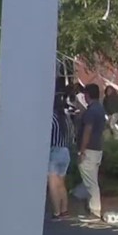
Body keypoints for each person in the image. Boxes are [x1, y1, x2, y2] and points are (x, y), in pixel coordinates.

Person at [76, 83, 106, 222]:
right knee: (91, 178)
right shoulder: (100, 109)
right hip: (97, 148)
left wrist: (81, 151)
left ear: (87, 95)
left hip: (89, 149)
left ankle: (94, 210)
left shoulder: (91, 111)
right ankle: (86, 203)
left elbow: (87, 131)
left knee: (90, 181)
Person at [48, 92, 73, 220]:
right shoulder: (66, 118)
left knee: (52, 183)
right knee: (61, 183)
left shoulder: (51, 118)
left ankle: (56, 212)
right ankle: (64, 210)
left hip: (54, 151)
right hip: (65, 151)